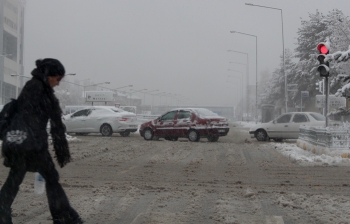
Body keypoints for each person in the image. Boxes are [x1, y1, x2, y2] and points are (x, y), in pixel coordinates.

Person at [0, 59, 83, 224]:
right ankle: (64, 217)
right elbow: (30, 118)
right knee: (51, 178)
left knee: (16, 177)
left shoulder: (36, 87)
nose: (58, 83)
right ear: (49, 75)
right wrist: (40, 142)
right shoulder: (36, 88)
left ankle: (2, 210)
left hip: (24, 143)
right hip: (31, 145)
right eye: (57, 79)